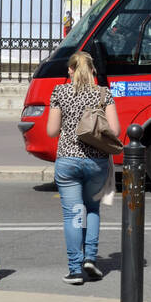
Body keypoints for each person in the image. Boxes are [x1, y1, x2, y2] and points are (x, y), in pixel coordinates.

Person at [45, 50, 118, 285]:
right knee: (93, 209)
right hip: (97, 161)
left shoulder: (60, 92)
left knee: (74, 214)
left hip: (67, 161)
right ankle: (90, 259)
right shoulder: (103, 94)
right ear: (93, 71)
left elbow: (51, 131)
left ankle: (75, 269)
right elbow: (115, 132)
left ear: (70, 70)